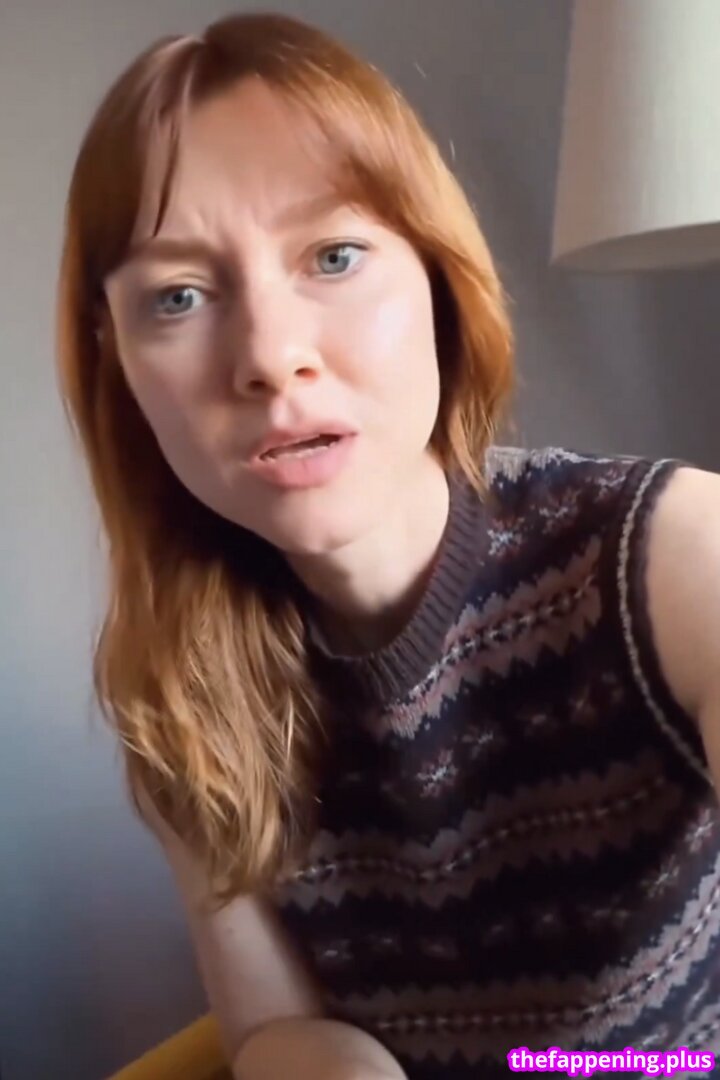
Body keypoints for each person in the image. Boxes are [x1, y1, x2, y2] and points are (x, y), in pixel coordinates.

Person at [55, 11, 720, 1080]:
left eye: (334, 256)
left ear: (438, 281)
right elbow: (269, 1029)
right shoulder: (175, 685)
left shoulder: (670, 557)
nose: (271, 356)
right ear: (119, 364)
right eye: (178, 296)